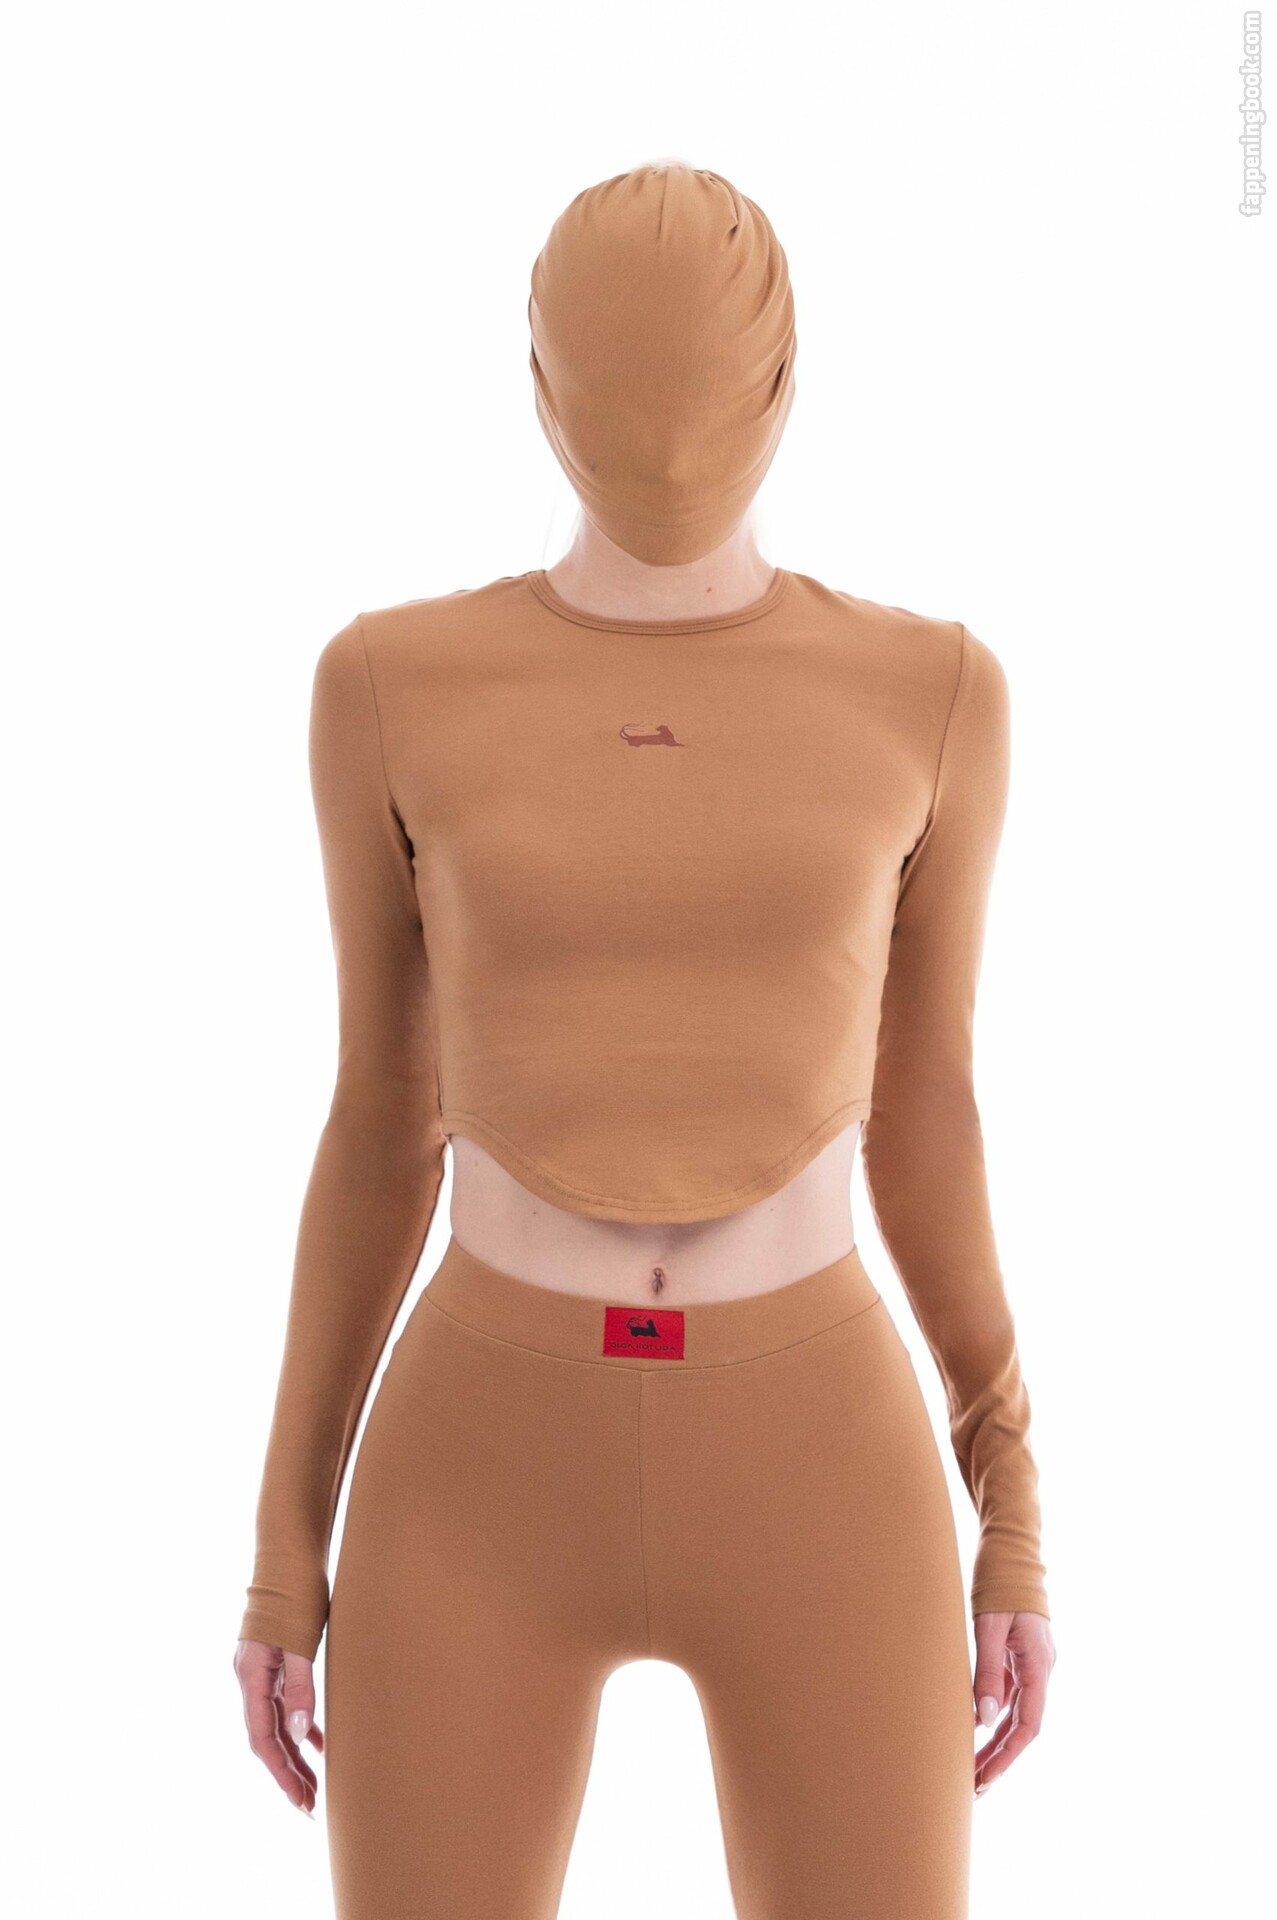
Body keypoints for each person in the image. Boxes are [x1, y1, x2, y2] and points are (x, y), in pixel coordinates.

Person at [233, 159, 1057, 1918]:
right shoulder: (386, 687)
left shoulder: (932, 694)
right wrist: (281, 1554)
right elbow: (378, 1123)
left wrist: (1012, 1504)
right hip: (477, 1466)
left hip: (816, 1458)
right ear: (542, 378)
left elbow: (927, 1114)